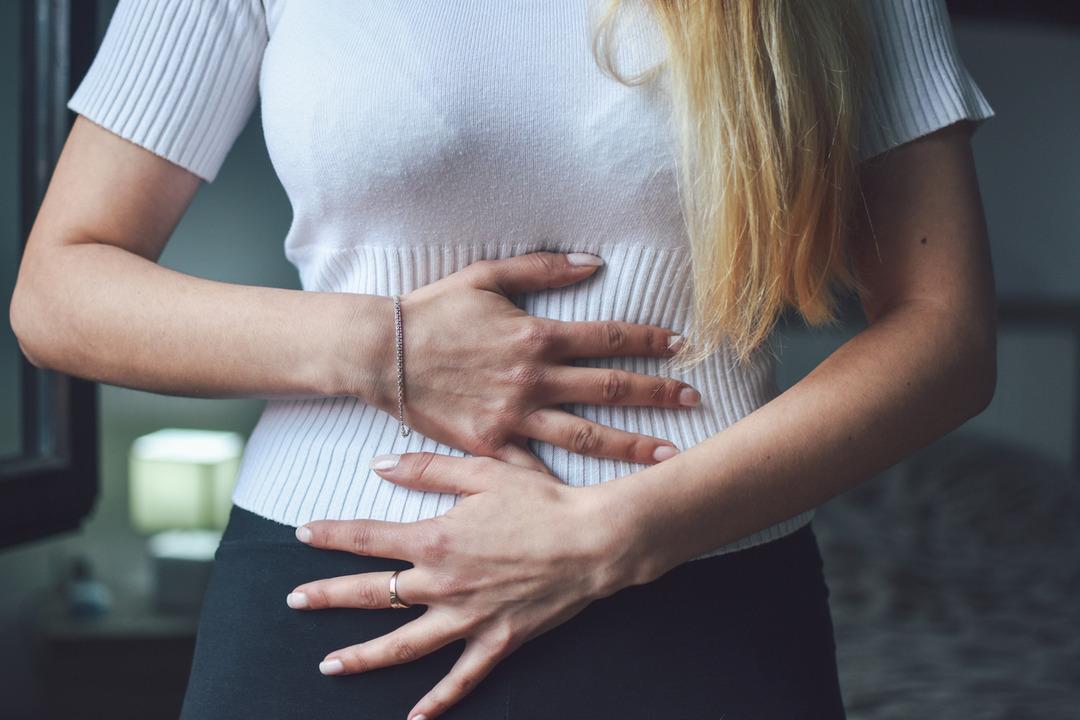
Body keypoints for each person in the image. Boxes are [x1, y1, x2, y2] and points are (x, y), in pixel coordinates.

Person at [10, 0, 997, 717]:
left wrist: (618, 533)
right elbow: (59, 291)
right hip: (333, 597)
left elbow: (944, 330)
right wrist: (381, 347)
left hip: (701, 590)